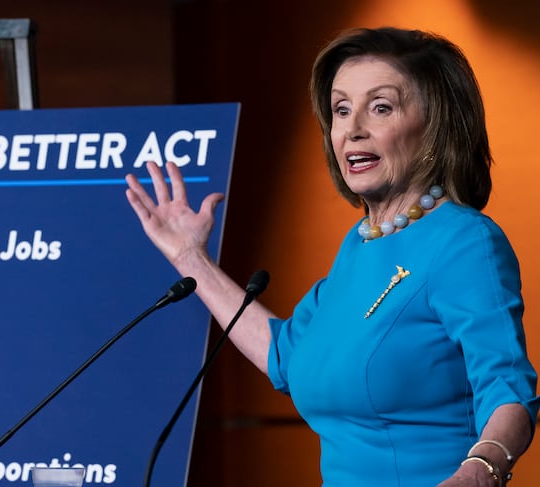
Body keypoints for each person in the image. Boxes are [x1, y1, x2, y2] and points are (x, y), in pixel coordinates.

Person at [124, 27, 539, 486]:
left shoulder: (463, 242)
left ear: (436, 126)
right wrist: (191, 259)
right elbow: (285, 356)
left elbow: (508, 391)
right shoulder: (360, 244)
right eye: (341, 110)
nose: (353, 129)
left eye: (380, 107)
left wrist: (480, 471)